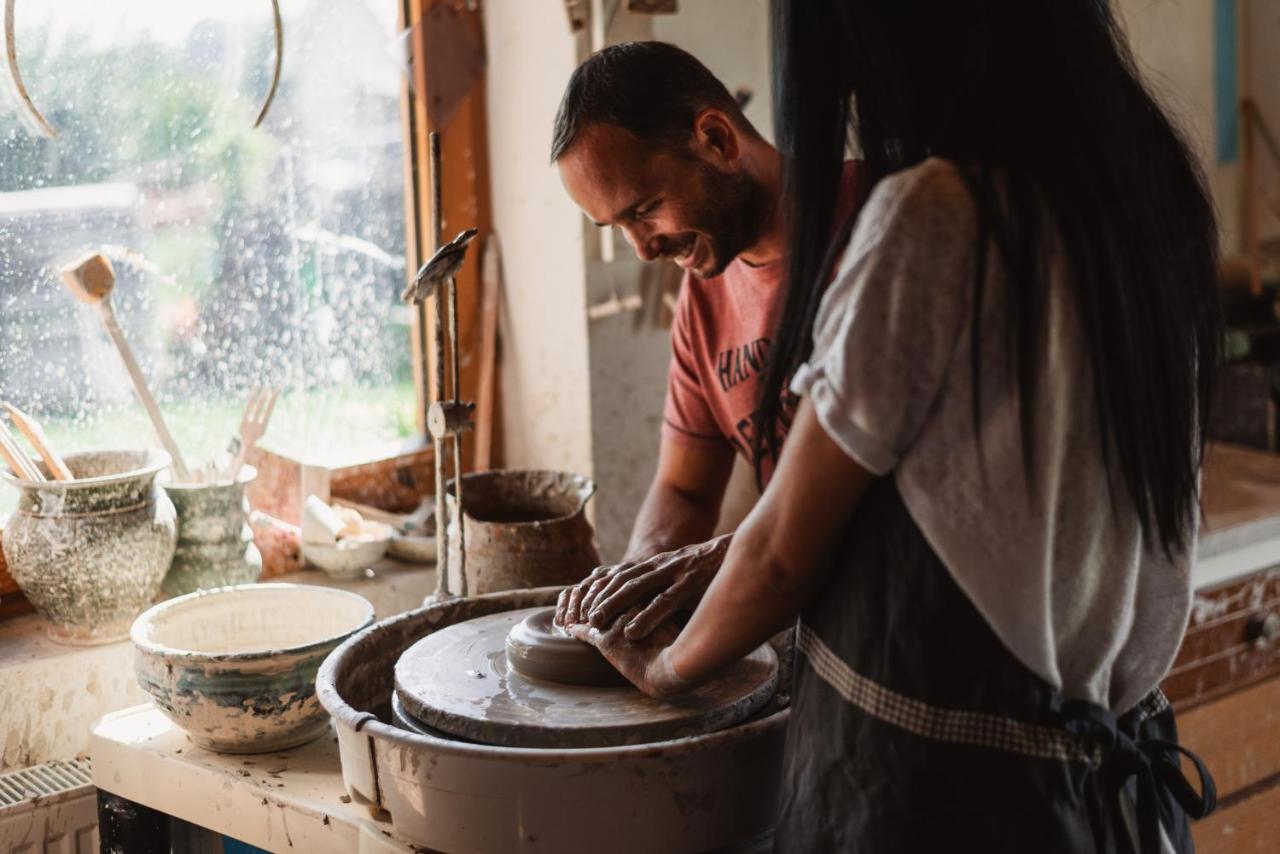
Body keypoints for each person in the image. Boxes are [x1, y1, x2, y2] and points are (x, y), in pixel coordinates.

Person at [557, 1, 1221, 851]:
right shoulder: (1146, 198)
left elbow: (783, 554)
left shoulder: (929, 215)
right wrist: (663, 579)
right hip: (1108, 786)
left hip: (969, 794)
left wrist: (664, 668)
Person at [552, 41, 861, 566]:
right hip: (814, 603)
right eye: (618, 228)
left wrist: (722, 568)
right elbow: (685, 491)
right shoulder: (704, 299)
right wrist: (640, 573)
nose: (644, 250)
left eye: (646, 209)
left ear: (716, 140)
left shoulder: (881, 226)